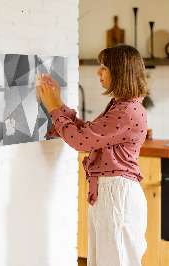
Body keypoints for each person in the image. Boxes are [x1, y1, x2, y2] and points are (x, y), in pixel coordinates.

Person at [37, 44, 149, 266]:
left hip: (117, 195)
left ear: (120, 72)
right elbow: (88, 133)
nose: (98, 72)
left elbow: (80, 141)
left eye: (104, 67)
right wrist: (58, 104)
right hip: (112, 193)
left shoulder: (126, 111)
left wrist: (52, 108)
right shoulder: (122, 106)